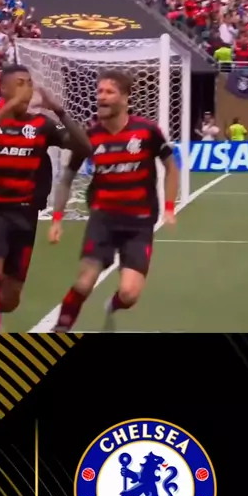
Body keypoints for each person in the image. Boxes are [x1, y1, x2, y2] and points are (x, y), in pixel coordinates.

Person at [47, 69, 179, 332]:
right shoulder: (89, 136)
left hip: (139, 223)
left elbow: (171, 168)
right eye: (99, 91)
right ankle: (60, 329)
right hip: (103, 220)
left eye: (109, 92)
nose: (101, 97)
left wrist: (168, 207)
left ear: (125, 98)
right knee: (84, 282)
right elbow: (67, 177)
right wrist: (57, 218)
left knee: (129, 294)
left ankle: (114, 304)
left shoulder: (147, 131)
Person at [0, 63, 92, 333]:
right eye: (20, 83)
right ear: (4, 89)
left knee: (9, 300)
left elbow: (84, 147)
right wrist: (9, 107)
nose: (27, 89)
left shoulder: (41, 125)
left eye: (29, 83)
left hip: (25, 216)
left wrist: (59, 110)